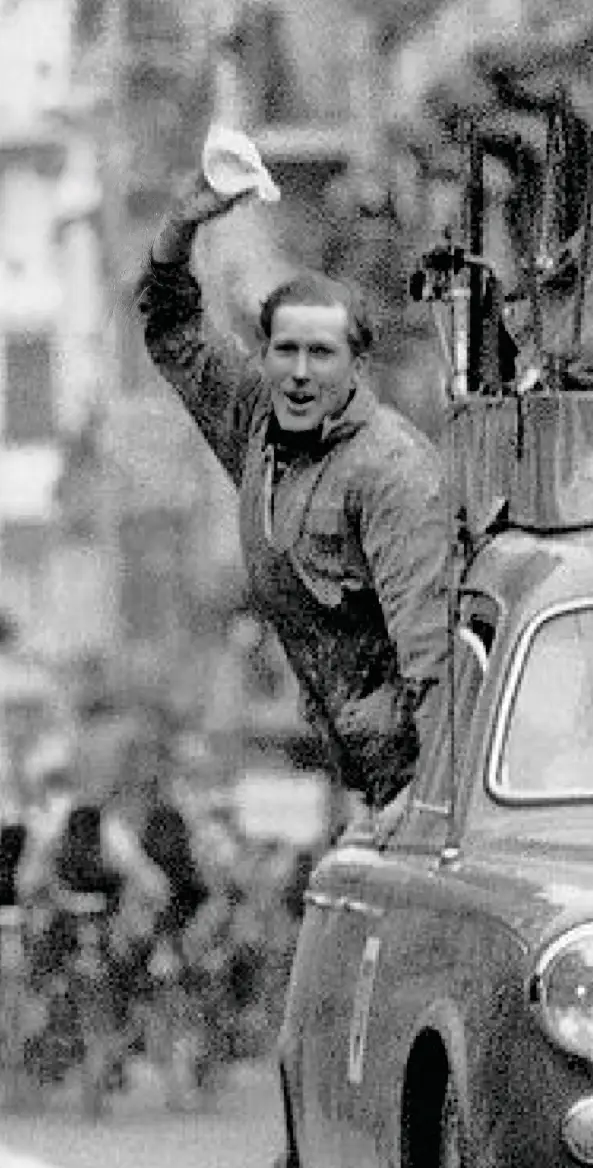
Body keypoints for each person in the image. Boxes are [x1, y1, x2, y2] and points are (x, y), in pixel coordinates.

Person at [135, 178, 453, 841]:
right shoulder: (260, 424)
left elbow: (433, 658)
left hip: (425, 782)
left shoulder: (391, 472)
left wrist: (420, 801)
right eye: (286, 351)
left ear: (356, 365)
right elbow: (175, 333)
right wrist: (182, 224)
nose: (300, 372)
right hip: (364, 775)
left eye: (321, 354)